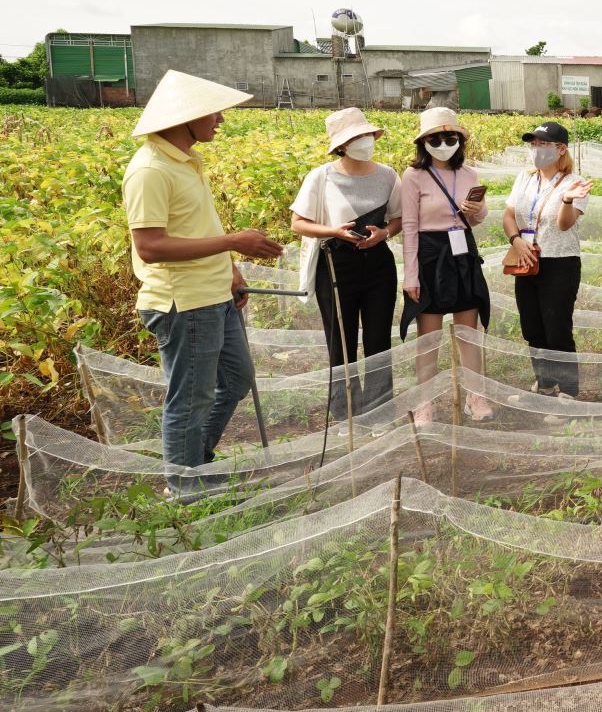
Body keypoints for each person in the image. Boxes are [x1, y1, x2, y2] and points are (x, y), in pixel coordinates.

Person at [121, 70, 284, 489]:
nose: (221, 121)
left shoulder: (187, 160)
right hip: (184, 303)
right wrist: (235, 241)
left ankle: (198, 462)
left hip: (215, 294)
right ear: (185, 116)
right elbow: (151, 247)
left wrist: (230, 267)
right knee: (190, 400)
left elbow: (197, 226)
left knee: (236, 380)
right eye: (213, 113)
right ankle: (184, 489)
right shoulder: (150, 170)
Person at [289, 108, 403, 420]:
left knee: (379, 339)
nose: (364, 141)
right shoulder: (321, 177)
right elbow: (298, 223)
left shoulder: (388, 175)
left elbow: (397, 219)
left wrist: (384, 233)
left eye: (367, 134)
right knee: (341, 340)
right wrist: (334, 231)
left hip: (378, 265)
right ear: (342, 144)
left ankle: (379, 411)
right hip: (336, 263)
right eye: (356, 137)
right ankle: (345, 414)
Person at [399, 107, 492, 422]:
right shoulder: (413, 176)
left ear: (459, 140)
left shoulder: (468, 174)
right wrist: (411, 275)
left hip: (462, 250)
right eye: (435, 138)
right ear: (424, 142)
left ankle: (475, 397)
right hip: (430, 254)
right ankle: (424, 401)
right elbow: (410, 227)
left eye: (450, 137)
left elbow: (476, 219)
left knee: (469, 330)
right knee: (429, 334)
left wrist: (476, 209)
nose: (443, 143)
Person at [503, 120, 594, 396]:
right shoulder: (525, 178)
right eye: (533, 144)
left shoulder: (574, 183)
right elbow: (509, 214)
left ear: (560, 149)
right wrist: (516, 241)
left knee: (557, 328)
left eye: (543, 144)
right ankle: (545, 383)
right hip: (526, 258)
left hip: (559, 261)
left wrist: (566, 200)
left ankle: (568, 390)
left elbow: (564, 224)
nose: (536, 149)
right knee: (532, 326)